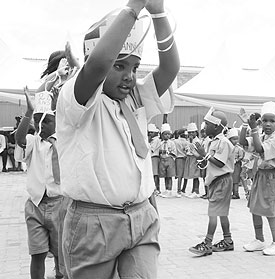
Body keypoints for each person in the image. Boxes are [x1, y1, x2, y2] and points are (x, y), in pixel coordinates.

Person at [56, 0, 180, 277]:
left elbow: (170, 69)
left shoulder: (136, 100)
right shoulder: (77, 99)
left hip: (141, 214)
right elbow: (99, 64)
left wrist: (158, 12)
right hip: (94, 222)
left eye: (135, 68)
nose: (130, 77)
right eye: (120, 67)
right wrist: (134, 7)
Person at [14, 89, 64, 279]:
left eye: (47, 121)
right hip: (35, 205)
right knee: (37, 254)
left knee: (61, 254)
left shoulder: (64, 142)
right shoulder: (32, 141)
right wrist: (28, 112)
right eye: (37, 120)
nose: (41, 125)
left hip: (60, 204)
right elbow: (19, 140)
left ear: (58, 122)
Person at [239, 102, 275, 256]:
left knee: (269, 211)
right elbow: (243, 142)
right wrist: (245, 125)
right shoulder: (261, 136)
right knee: (255, 208)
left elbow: (259, 149)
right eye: (265, 120)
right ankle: (259, 239)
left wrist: (253, 129)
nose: (268, 124)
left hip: (272, 178)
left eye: (272, 121)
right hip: (260, 176)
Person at [188, 108, 235, 256]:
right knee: (221, 213)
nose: (204, 127)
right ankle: (228, 240)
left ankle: (207, 243)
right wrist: (199, 157)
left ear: (216, 126)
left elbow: (220, 163)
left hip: (222, 181)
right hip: (215, 181)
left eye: (207, 124)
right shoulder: (212, 142)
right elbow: (209, 163)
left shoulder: (223, 142)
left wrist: (205, 155)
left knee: (213, 213)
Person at [158, 123, 178, 198]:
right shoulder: (160, 143)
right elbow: (158, 151)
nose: (167, 136)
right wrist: (161, 152)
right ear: (162, 135)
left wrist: (168, 153)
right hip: (162, 160)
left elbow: (174, 152)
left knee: (169, 176)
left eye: (168, 134)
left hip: (169, 160)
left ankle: (170, 190)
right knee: (164, 175)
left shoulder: (172, 143)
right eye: (165, 134)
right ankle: (166, 189)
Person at [182, 122, 201, 198]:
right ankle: (193, 190)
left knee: (195, 175)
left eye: (193, 132)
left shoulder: (197, 141)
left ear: (196, 132)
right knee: (191, 174)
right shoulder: (188, 141)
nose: (191, 134)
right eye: (189, 132)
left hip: (194, 158)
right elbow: (186, 149)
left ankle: (196, 191)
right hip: (189, 158)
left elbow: (198, 150)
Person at [227, 128, 245, 199]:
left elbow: (241, 156)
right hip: (229, 165)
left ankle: (236, 193)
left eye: (236, 139)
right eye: (233, 139)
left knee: (235, 180)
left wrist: (237, 160)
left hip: (236, 166)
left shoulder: (239, 148)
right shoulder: (228, 147)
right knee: (230, 179)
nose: (235, 141)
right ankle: (230, 193)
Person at [173, 127, 188, 195]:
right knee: (185, 174)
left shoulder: (175, 141)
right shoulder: (186, 142)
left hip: (178, 158)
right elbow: (187, 151)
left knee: (179, 175)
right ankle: (183, 189)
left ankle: (178, 190)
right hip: (185, 158)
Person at [148, 123, 162, 195]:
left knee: (155, 174)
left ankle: (157, 189)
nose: (150, 134)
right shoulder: (152, 140)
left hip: (154, 158)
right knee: (152, 174)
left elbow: (151, 149)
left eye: (152, 132)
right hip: (151, 158)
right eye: (149, 132)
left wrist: (149, 141)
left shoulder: (156, 140)